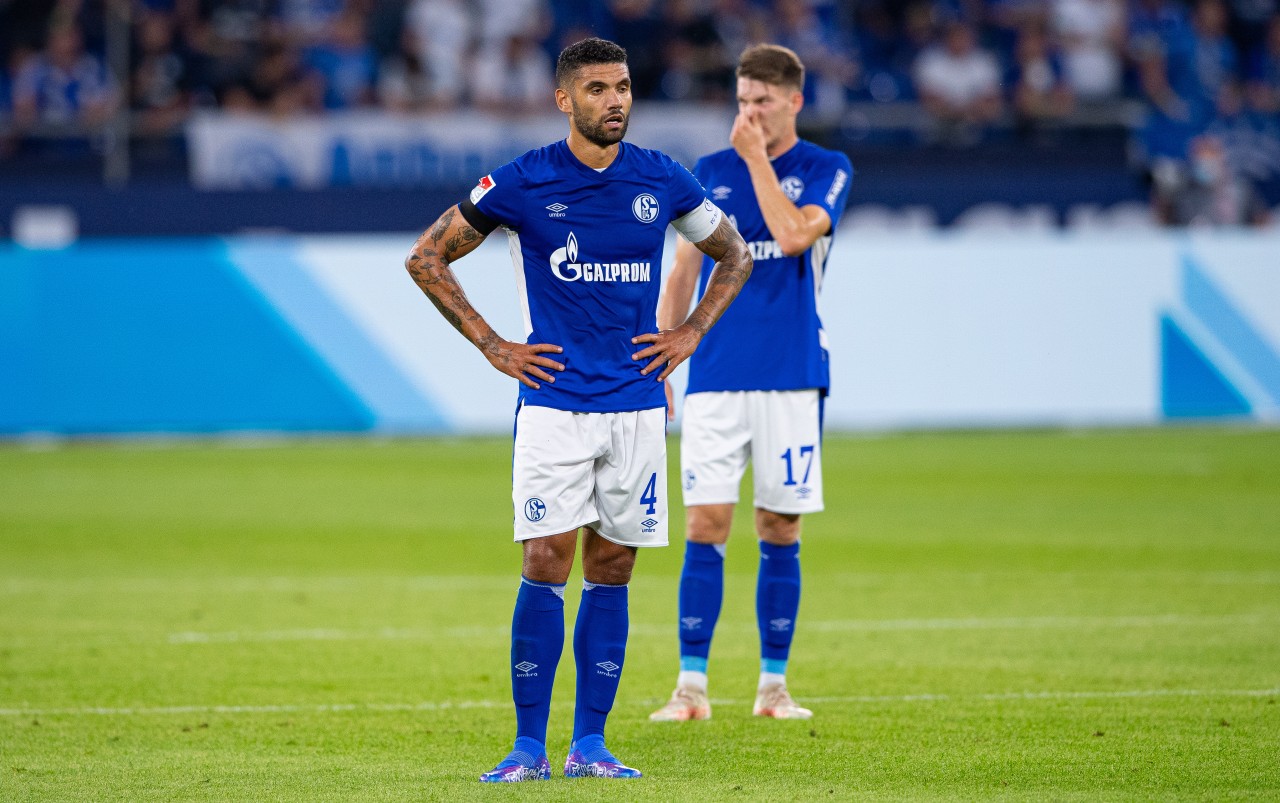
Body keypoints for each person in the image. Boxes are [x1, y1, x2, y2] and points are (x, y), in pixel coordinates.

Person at [402, 37, 752, 782]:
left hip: (634, 406)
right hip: (554, 404)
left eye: (622, 86)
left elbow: (736, 254)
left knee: (614, 565)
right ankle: (529, 745)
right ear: (565, 99)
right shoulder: (527, 180)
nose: (615, 100)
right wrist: (495, 346)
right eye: (597, 89)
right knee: (545, 558)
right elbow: (426, 257)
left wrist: (688, 332)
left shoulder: (662, 178)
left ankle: (589, 742)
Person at [649, 43, 853, 724]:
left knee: (779, 525)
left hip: (792, 373)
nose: (749, 113)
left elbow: (794, 236)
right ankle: (690, 687)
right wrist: (663, 357)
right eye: (741, 101)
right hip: (717, 374)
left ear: (795, 101)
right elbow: (684, 270)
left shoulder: (827, 168)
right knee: (705, 523)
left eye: (762, 101)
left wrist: (759, 160)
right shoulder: (709, 172)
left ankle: (773, 686)